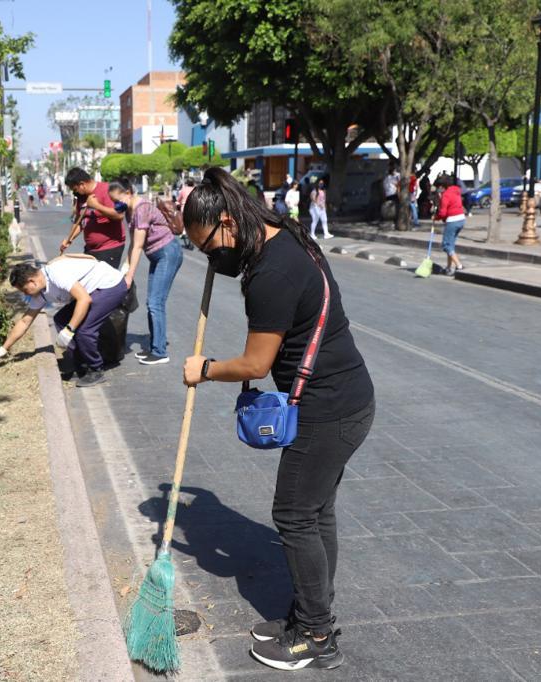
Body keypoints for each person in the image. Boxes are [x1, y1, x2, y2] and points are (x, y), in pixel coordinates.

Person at [181, 167, 374, 673]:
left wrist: (204, 370)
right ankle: (312, 613)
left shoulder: (270, 274)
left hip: (328, 410)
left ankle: (315, 636)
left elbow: (254, 365)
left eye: (210, 248)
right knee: (316, 512)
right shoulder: (284, 233)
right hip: (346, 397)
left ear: (228, 222)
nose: (212, 259)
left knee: (293, 515)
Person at [0, 257, 128, 388]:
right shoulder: (40, 291)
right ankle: (79, 364)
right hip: (91, 291)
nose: (25, 294)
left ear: (32, 281)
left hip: (110, 285)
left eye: (24, 290)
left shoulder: (56, 274)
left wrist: (69, 329)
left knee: (84, 330)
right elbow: (25, 321)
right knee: (60, 319)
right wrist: (3, 349)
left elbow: (84, 300)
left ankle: (96, 369)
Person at [108, 179, 183, 365]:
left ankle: (159, 352)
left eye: (117, 199)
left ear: (128, 192)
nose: (116, 204)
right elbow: (132, 244)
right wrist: (124, 271)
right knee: (153, 302)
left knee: (155, 303)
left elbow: (138, 246)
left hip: (167, 253)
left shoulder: (142, 209)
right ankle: (153, 346)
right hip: (157, 256)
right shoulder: (130, 212)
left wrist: (129, 276)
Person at [61, 167, 126, 268]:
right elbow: (80, 221)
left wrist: (97, 206)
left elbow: (119, 215)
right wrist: (69, 238)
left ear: (82, 184)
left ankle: (128, 283)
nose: (75, 193)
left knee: (105, 281)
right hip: (91, 249)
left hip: (109, 247)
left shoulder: (106, 190)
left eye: (75, 189)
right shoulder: (82, 197)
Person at [434, 175, 465, 276]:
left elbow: (443, 212)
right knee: (451, 244)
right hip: (461, 219)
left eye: (438, 187)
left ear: (442, 186)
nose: (438, 189)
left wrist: (436, 217)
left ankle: (459, 265)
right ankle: (448, 267)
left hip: (453, 220)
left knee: (446, 245)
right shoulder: (456, 191)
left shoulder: (446, 195)